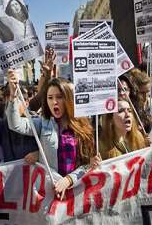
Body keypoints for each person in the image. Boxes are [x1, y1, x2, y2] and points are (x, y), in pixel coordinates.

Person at [6, 71, 95, 200]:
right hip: (50, 192)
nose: (54, 102)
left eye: (59, 97)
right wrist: (13, 95)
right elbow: (15, 124)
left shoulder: (84, 127)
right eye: (50, 98)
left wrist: (68, 180)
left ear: (68, 98)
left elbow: (88, 164)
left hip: (77, 192)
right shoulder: (43, 123)